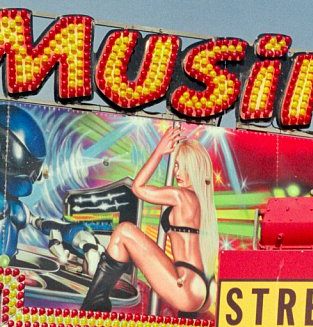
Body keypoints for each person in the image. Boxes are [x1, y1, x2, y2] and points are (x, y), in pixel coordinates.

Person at [81, 124, 218, 315]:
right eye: (176, 165)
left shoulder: (180, 196)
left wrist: (159, 151)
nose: (178, 172)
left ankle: (93, 306)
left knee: (124, 231)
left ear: (196, 169)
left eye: (185, 167)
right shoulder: (203, 202)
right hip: (205, 287)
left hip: (186, 285)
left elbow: (138, 188)